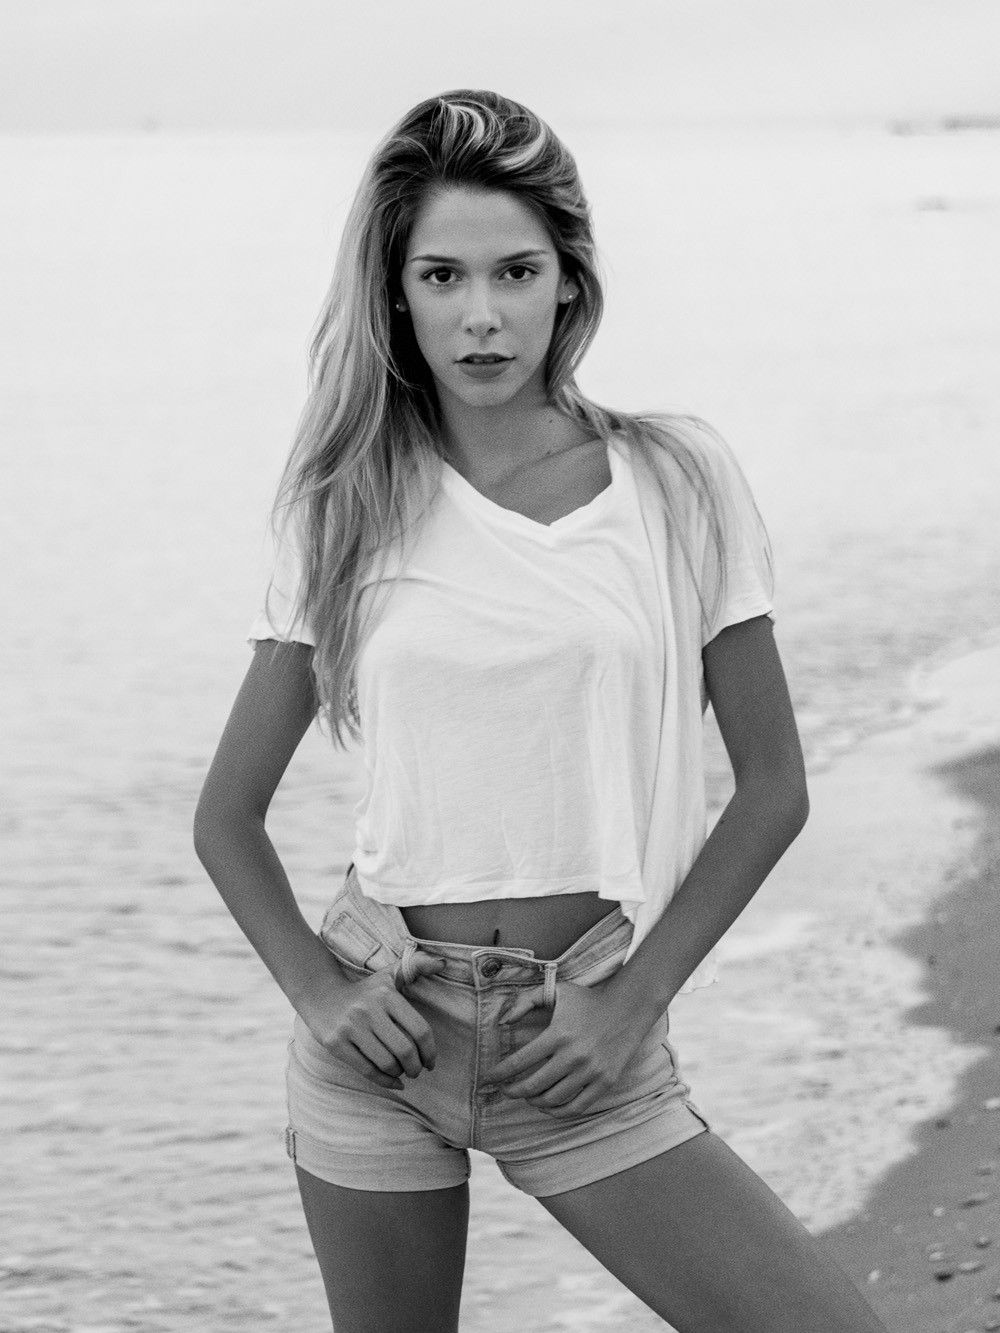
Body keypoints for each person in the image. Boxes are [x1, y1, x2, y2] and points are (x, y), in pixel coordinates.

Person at [194, 89, 889, 1333]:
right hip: (383, 1033)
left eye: (515, 271)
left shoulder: (675, 480)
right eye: (442, 276)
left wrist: (631, 1002)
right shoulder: (347, 502)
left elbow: (772, 788)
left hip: (578, 1029)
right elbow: (225, 819)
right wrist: (321, 991)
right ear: (395, 297)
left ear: (568, 281)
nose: (482, 314)